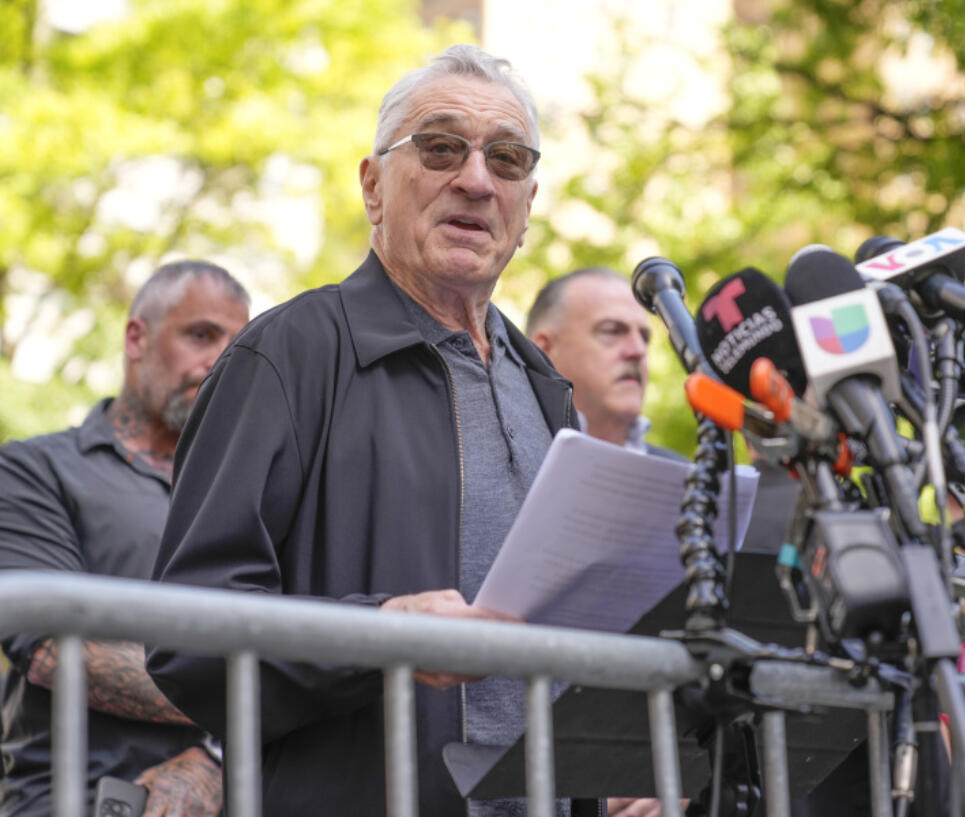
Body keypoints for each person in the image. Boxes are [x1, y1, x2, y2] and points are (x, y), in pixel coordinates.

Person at [145, 45, 578, 817]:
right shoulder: (285, 355)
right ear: (374, 185)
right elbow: (188, 638)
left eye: (506, 158)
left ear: (528, 203)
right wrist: (376, 635)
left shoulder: (547, 390)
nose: (476, 179)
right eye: (441, 146)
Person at [0, 260, 251, 817]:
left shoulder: (257, 498)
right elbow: (54, 651)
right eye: (200, 335)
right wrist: (265, 698)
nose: (218, 364)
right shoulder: (32, 470)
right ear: (137, 337)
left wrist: (217, 754)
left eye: (236, 349)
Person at [526, 267, 681, 459]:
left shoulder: (688, 479)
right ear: (544, 351)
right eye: (612, 331)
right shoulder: (495, 463)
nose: (638, 351)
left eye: (644, 337)